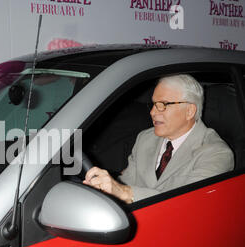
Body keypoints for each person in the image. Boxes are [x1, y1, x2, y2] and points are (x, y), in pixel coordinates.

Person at [83, 74, 234, 203]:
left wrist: (124, 193)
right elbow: (126, 182)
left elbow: (188, 204)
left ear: (189, 111)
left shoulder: (216, 154)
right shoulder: (145, 138)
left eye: (163, 104)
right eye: (154, 104)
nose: (153, 112)